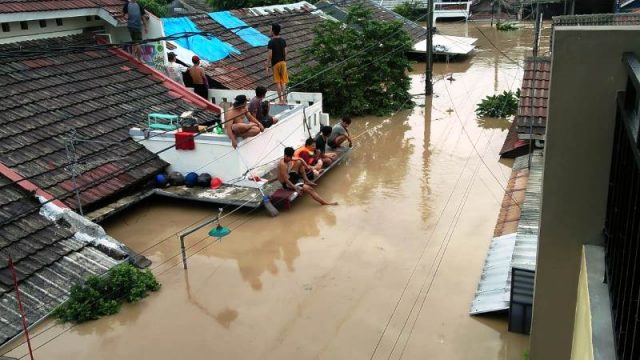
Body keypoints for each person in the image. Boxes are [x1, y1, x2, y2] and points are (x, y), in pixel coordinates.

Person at [266, 23, 288, 104]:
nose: (269, 30)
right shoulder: (283, 40)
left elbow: (270, 55)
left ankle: (280, 100)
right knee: (283, 82)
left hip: (275, 63)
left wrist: (267, 65)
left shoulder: (271, 42)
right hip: (283, 62)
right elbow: (285, 52)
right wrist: (283, 59)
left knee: (278, 82)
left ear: (273, 31)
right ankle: (285, 100)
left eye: (270, 29)